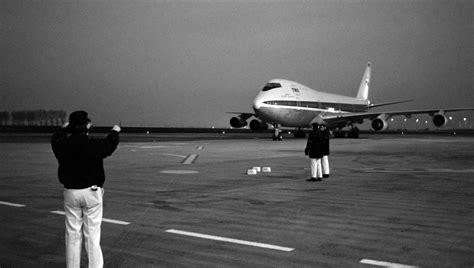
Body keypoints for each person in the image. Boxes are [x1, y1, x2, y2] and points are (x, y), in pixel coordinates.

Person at [51, 111, 121, 268]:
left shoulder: (62, 145)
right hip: (91, 192)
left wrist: (64, 129)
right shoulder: (93, 144)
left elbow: (54, 138)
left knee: (73, 235)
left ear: (71, 126)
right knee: (92, 237)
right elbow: (109, 146)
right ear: (87, 126)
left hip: (71, 193)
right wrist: (114, 131)